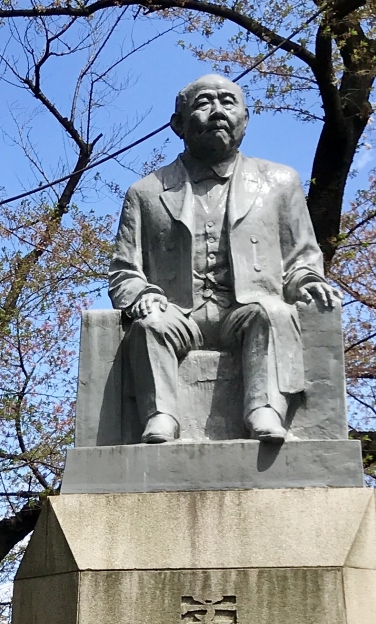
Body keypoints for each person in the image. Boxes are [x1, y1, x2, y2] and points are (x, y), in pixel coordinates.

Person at [109, 75, 337, 442]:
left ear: (245, 118)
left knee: (273, 313)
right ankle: (161, 415)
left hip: (247, 309)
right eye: (203, 103)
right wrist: (143, 294)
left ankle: (265, 409)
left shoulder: (280, 182)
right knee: (150, 326)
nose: (217, 111)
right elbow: (124, 271)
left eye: (228, 102)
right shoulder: (145, 192)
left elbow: (301, 258)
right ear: (177, 124)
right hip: (179, 313)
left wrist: (307, 280)